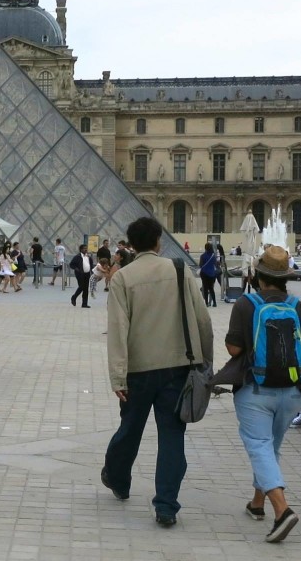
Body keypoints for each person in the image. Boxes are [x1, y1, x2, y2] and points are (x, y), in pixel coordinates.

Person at [222, 245, 301, 542]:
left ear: (258, 276)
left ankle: (282, 511)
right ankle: (257, 503)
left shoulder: (245, 304)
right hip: (292, 392)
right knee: (270, 448)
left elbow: (234, 349)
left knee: (259, 446)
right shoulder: (300, 307)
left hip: (255, 389)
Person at [102, 217, 213, 528]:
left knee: (130, 430)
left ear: (132, 244)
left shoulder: (123, 278)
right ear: (158, 241)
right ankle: (166, 506)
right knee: (172, 437)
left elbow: (117, 331)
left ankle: (118, 478)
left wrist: (118, 376)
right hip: (178, 369)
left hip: (138, 371)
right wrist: (206, 363)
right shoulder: (179, 271)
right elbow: (203, 320)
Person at [198, 242, 218, 307]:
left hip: (204, 274)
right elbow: (215, 264)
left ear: (205, 248)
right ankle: (214, 303)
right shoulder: (213, 256)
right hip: (212, 274)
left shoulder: (202, 256)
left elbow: (200, 265)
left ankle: (206, 303)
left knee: (205, 289)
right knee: (211, 288)